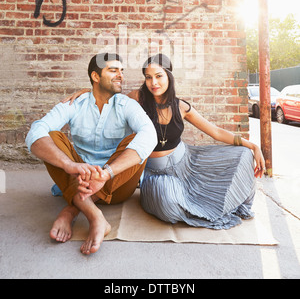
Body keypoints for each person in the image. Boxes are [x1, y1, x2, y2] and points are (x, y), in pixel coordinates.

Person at [67, 53, 265, 231]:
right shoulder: (137, 99)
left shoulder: (181, 106)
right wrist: (87, 91)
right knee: (167, 205)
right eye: (148, 77)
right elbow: (109, 98)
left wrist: (253, 145)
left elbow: (215, 131)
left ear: (169, 76)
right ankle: (192, 205)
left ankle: (213, 200)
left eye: (159, 76)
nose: (154, 82)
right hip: (155, 174)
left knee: (243, 155)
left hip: (186, 163)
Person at [25, 52, 157, 255]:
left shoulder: (127, 105)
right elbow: (35, 133)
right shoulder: (75, 103)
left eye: (121, 71)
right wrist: (70, 165)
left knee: (139, 141)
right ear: (96, 77)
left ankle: (71, 209)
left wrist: (105, 174)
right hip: (78, 176)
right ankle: (96, 216)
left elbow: (150, 135)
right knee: (51, 135)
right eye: (113, 70)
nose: (120, 75)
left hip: (116, 183)